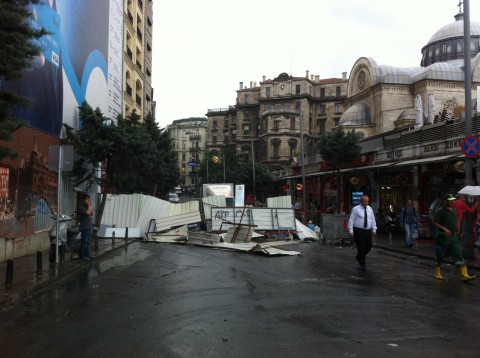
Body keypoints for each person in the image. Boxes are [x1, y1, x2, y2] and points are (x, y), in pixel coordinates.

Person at [432, 194, 476, 282]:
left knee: (458, 254)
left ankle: (464, 275)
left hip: (454, 236)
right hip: (443, 237)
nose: (452, 202)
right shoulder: (441, 211)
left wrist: (459, 231)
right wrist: (444, 229)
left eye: (452, 200)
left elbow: (457, 221)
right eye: (450, 200)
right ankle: (437, 273)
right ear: (445, 202)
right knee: (441, 254)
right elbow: (434, 222)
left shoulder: (454, 210)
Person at [348, 195, 377, 271]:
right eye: (364, 201)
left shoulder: (370, 209)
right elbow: (351, 220)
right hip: (358, 230)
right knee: (361, 247)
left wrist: (374, 229)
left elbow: (372, 219)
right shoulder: (355, 209)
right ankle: (362, 264)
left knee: (369, 246)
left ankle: (359, 257)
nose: (366, 203)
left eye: (367, 201)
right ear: (361, 201)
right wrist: (351, 231)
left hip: (367, 231)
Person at [77, 193, 94, 261]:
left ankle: (87, 255)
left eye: (90, 200)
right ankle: (82, 256)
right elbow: (88, 213)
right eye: (88, 200)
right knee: (84, 242)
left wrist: (89, 205)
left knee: (87, 242)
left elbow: (91, 213)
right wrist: (89, 205)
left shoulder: (87, 207)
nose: (89, 201)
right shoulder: (81, 207)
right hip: (84, 227)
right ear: (84, 200)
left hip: (89, 227)